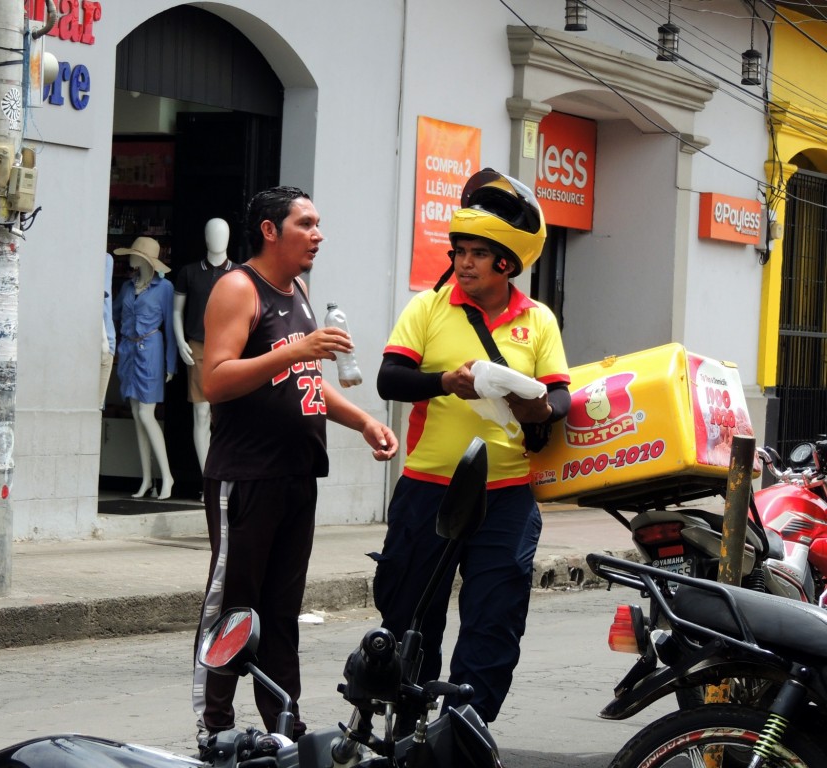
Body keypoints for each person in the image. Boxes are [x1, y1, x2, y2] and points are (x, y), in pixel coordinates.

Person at [193, 186, 399, 752]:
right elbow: (215, 380)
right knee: (235, 606)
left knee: (282, 611)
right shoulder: (238, 288)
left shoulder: (300, 291)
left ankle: (284, 723)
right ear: (269, 230)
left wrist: (361, 421)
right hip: (247, 476)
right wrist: (297, 348)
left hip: (296, 476)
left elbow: (307, 383)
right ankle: (214, 727)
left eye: (317, 223)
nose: (318, 234)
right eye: (305, 223)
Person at [373, 168, 570, 727]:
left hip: (505, 498)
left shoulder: (539, 321)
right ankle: (407, 732)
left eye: (478, 253)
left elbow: (560, 396)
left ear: (506, 262)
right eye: (459, 251)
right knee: (411, 619)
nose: (463, 262)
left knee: (493, 623)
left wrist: (539, 408)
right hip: (428, 494)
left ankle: (465, 731)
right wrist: (444, 383)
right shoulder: (427, 308)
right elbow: (390, 379)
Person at [112, 236, 177, 500]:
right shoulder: (128, 287)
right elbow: (115, 312)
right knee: (137, 415)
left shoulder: (165, 288)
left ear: (146, 259)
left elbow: (171, 328)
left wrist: (171, 363)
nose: (130, 258)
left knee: (147, 415)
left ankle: (168, 477)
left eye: (135, 254)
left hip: (151, 350)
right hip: (129, 351)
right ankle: (147, 479)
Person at [172, 217, 235, 471]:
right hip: (197, 346)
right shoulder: (189, 272)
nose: (218, 239)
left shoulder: (240, 274)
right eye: (213, 233)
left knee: (225, 414)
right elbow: (177, 311)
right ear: (206, 238)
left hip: (230, 351)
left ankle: (225, 475)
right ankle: (207, 477)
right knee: (201, 413)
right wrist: (179, 341)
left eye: (223, 234)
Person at [99, 251, 116, 411]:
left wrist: (105, 341)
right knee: (96, 406)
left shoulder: (105, 259)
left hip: (104, 340)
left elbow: (102, 299)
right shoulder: (104, 259)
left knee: (96, 406)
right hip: (104, 340)